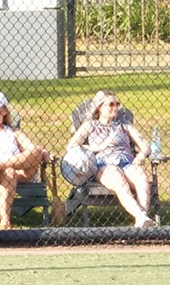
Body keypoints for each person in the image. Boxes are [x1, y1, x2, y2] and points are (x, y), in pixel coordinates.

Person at [64, 91, 155, 228]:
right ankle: (142, 217)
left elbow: (145, 145)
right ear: (100, 107)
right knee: (119, 180)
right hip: (103, 165)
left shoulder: (124, 124)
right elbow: (71, 146)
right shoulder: (91, 125)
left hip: (127, 163)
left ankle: (142, 218)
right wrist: (101, 146)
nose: (115, 107)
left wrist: (140, 156)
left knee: (142, 177)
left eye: (117, 104)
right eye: (111, 104)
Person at [0, 91, 44, 230]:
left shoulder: (13, 132)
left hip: (19, 171)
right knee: (9, 172)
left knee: (37, 150)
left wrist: (42, 152)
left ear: (4, 111)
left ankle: (1, 165)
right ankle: (5, 222)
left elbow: (32, 149)